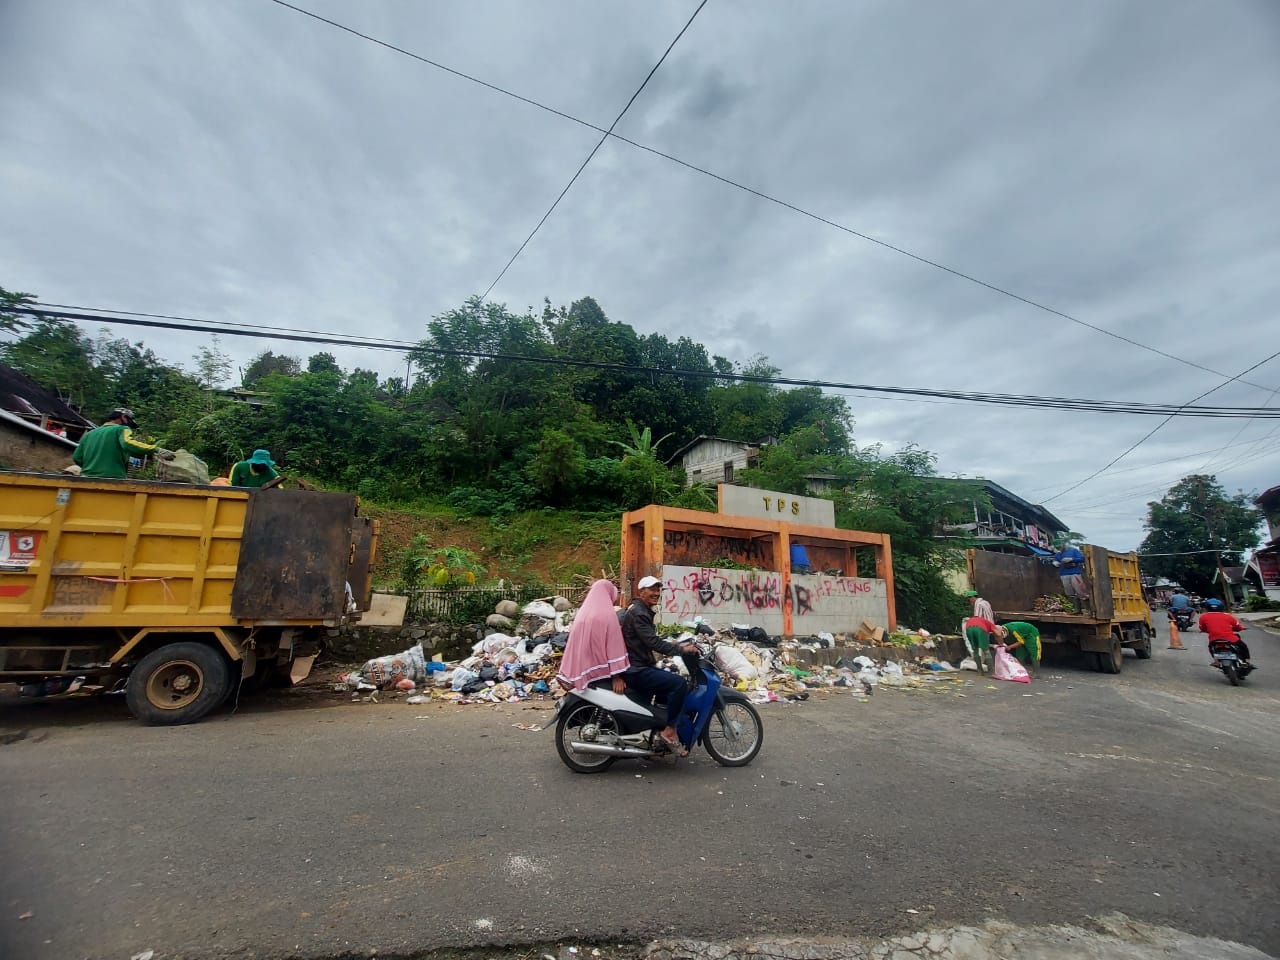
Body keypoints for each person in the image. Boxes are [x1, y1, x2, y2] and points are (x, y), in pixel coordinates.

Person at [620, 575, 699, 755]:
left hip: (637, 665)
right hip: (637, 669)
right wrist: (681, 650)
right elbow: (652, 642)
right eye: (652, 590)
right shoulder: (639, 613)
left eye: (658, 590)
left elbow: (650, 640)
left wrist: (676, 645)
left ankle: (656, 735)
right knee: (678, 684)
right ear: (641, 592)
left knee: (667, 688)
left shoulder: (640, 609)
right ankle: (669, 731)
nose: (656, 593)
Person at [557, 580, 631, 694]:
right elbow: (614, 647)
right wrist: (617, 676)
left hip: (581, 669)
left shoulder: (583, 614)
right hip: (600, 672)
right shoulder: (607, 616)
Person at [72, 408, 174, 479]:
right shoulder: (121, 429)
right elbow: (127, 443)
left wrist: (92, 467)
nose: (129, 424)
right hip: (113, 478)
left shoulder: (90, 434)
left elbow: (77, 457)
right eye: (128, 420)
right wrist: (156, 449)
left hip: (86, 477)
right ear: (123, 417)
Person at [1198, 598, 1251, 664]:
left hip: (1214, 639)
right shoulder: (1228, 616)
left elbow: (1202, 628)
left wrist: (1206, 630)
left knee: (1211, 648)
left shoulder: (1203, 617)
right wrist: (1241, 628)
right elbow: (1237, 627)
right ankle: (1246, 661)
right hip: (1231, 638)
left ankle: (1216, 661)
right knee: (1243, 646)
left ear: (1207, 607)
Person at [1052, 541, 1089, 608]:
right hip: (1063, 574)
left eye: (1059, 547)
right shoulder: (1058, 554)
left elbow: (1083, 559)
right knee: (1069, 593)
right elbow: (1055, 560)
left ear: (1063, 545)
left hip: (1075, 573)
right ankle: (1075, 609)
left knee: (1081, 591)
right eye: (1057, 547)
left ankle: (1087, 609)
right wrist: (1055, 563)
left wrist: (1072, 559)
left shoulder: (1073, 550)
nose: (1059, 548)